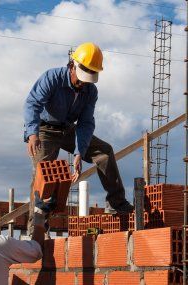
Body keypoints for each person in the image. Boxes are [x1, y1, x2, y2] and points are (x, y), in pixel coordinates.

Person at [24, 42, 134, 214]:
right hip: (45, 130)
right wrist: (32, 134)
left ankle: (116, 204)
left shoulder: (91, 91)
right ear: (72, 66)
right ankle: (36, 231)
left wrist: (79, 153)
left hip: (68, 129)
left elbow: (85, 123)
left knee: (104, 153)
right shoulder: (51, 78)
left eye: (88, 79)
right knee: (44, 176)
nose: (83, 83)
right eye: (82, 77)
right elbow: (33, 103)